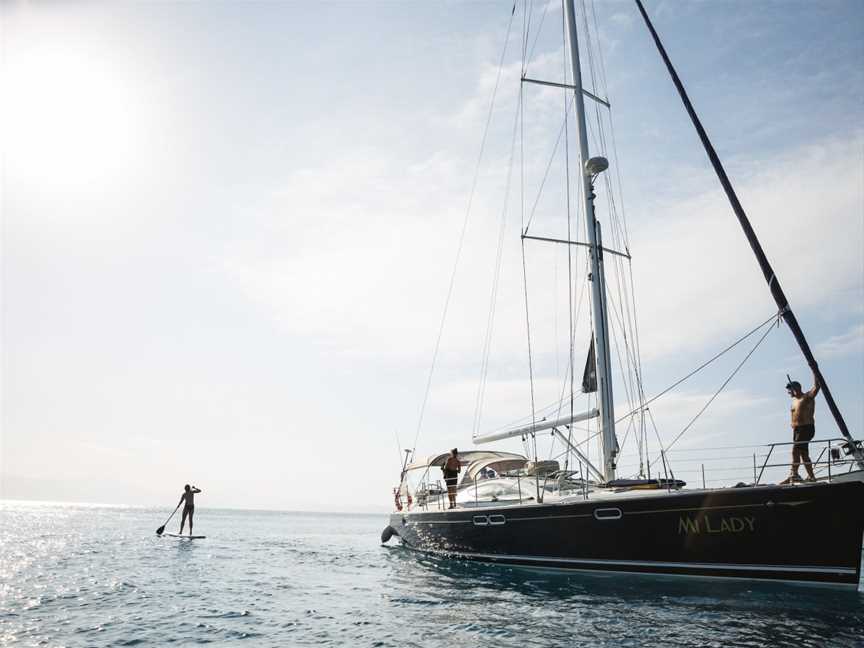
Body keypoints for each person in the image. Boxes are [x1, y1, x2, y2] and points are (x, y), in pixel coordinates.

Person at [781, 373, 820, 484]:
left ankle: (794, 474)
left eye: (790, 390)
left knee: (795, 450)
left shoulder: (807, 397)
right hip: (797, 430)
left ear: (796, 388)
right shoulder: (794, 401)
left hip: (806, 428)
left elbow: (817, 387)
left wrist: (814, 370)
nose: (789, 393)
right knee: (803, 454)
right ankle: (811, 476)